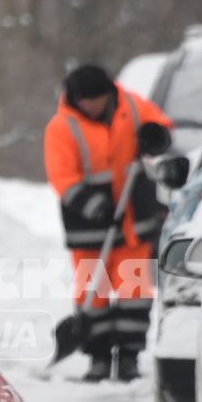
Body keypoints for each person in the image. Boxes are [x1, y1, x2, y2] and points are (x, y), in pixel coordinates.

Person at [44, 63, 173, 380]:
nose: (91, 105)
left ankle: (129, 357)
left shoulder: (131, 105)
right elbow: (63, 177)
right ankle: (98, 358)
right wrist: (93, 206)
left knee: (135, 291)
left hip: (134, 220)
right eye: (85, 100)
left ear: (108, 94)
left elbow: (161, 124)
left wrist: (156, 136)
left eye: (96, 99)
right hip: (88, 226)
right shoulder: (62, 128)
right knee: (94, 292)